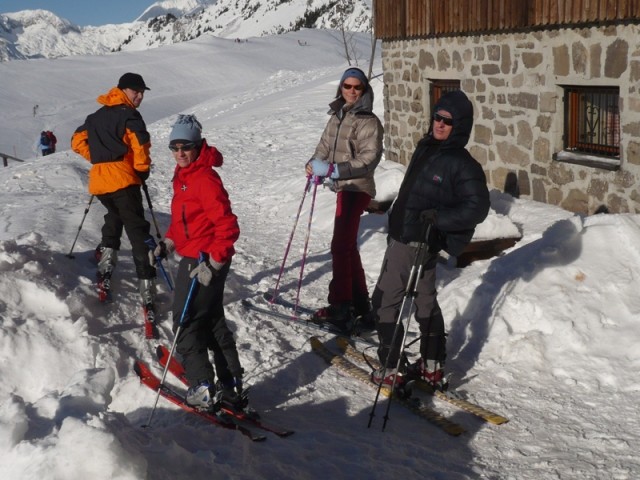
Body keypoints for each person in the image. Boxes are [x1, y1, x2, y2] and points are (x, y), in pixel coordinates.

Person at [370, 90, 490, 391]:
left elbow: (477, 207)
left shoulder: (461, 164)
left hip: (413, 242)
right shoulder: (427, 148)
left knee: (386, 302)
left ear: (459, 126)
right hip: (411, 237)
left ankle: (389, 367)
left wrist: (439, 219)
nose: (439, 124)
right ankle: (432, 366)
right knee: (425, 303)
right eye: (437, 117)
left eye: (447, 121)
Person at [153, 114, 244, 411]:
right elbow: (184, 221)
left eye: (186, 147)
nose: (180, 153)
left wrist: (214, 262)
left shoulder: (204, 178)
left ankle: (202, 386)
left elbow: (228, 227)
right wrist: (169, 241)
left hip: (203, 261)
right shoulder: (184, 176)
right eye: (174, 146)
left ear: (198, 145)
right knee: (213, 320)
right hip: (195, 255)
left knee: (187, 322)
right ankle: (230, 386)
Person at [71, 72, 157, 334]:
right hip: (122, 179)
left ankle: (106, 267)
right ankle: (147, 291)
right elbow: (141, 144)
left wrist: (99, 158)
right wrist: (140, 170)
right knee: (138, 232)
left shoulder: (96, 115)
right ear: (123, 90)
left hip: (100, 182)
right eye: (136, 91)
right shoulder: (129, 114)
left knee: (115, 217)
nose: (140, 96)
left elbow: (76, 142)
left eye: (142, 92)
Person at [306, 67, 383, 334]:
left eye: (356, 87)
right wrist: (313, 165)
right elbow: (324, 148)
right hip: (343, 187)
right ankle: (362, 306)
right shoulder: (337, 116)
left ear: (364, 90)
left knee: (340, 247)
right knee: (347, 247)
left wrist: (335, 171)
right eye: (347, 86)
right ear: (341, 88)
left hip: (357, 187)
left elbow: (368, 159)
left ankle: (341, 306)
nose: (351, 91)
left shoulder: (368, 121)